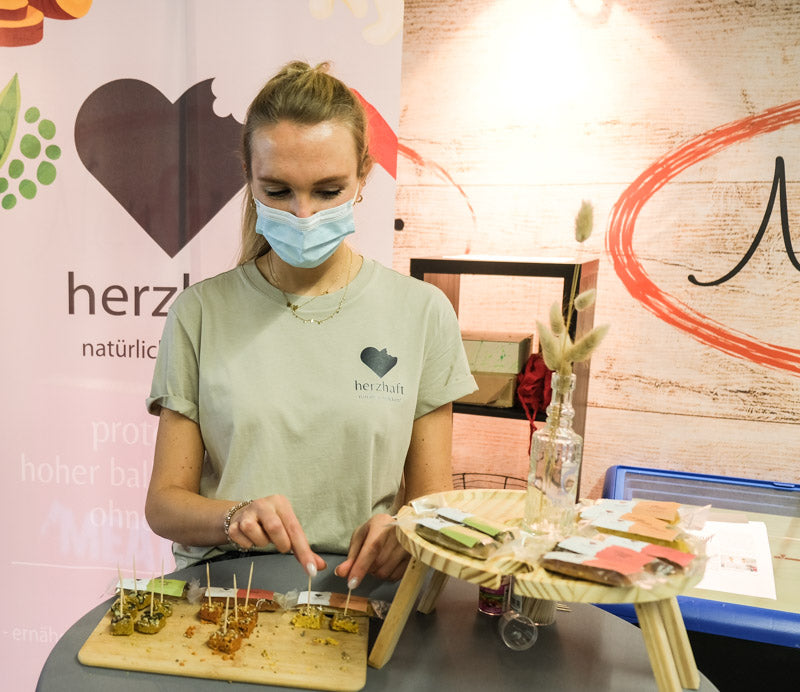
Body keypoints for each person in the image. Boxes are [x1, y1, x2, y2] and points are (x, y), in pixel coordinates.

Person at [144, 61, 476, 590]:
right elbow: (164, 504)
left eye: (327, 191)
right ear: (249, 178)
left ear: (363, 177)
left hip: (362, 594)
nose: (303, 215)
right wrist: (234, 517)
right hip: (227, 594)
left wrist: (404, 529)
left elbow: (432, 503)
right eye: (278, 191)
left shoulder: (422, 312)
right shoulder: (200, 312)